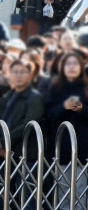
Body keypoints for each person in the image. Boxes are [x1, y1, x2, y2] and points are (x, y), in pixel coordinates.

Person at [45, 52, 88, 210]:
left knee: (80, 193)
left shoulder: (85, 87)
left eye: (75, 64)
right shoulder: (55, 89)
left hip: (83, 149)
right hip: (61, 148)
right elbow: (49, 116)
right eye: (68, 63)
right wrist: (64, 107)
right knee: (63, 193)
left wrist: (82, 109)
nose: (71, 67)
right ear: (62, 67)